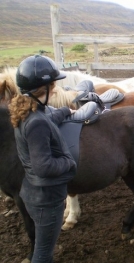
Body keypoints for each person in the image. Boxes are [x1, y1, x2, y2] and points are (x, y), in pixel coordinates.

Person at [8, 55, 77, 263]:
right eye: (52, 85)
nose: (55, 90)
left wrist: (65, 111)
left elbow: (47, 118)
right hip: (48, 199)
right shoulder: (36, 122)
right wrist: (68, 161)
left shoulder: (27, 111)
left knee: (42, 246)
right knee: (43, 253)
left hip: (34, 194)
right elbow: (44, 166)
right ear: (42, 89)